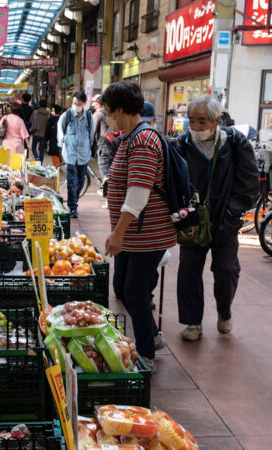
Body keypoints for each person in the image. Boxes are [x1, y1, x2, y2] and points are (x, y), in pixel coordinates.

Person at [101, 81, 176, 372]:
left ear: (120, 111)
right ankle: (151, 335)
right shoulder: (130, 137)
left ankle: (146, 352)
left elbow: (138, 193)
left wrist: (117, 232)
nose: (106, 117)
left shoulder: (143, 141)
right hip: (133, 235)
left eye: (108, 111)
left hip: (146, 235)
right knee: (122, 288)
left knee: (133, 292)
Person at [175, 96, 258, 341]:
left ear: (216, 121)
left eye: (202, 121)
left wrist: (232, 215)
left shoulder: (235, 143)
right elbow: (173, 181)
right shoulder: (183, 144)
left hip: (226, 221)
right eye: (192, 121)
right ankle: (192, 322)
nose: (197, 127)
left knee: (227, 270)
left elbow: (249, 185)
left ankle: (224, 312)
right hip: (193, 222)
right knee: (189, 272)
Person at [57, 91, 94, 218]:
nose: (76, 106)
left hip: (83, 155)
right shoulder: (66, 115)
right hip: (70, 154)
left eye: (78, 104)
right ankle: (73, 207)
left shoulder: (89, 117)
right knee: (72, 182)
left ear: (84, 103)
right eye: (74, 103)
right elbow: (60, 131)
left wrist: (89, 150)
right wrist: (62, 144)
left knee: (81, 181)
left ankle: (74, 202)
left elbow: (91, 136)